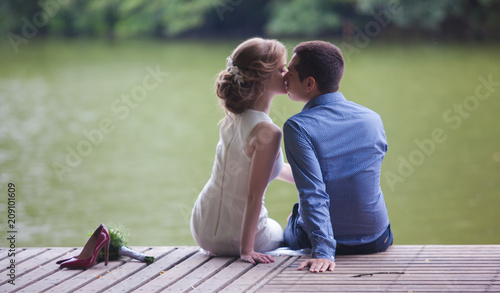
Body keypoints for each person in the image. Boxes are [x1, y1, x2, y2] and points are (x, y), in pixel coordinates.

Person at [282, 41, 393, 273]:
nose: (284, 76)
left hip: (330, 245)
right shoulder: (372, 118)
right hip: (377, 239)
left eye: (289, 72)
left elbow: (312, 192)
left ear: (309, 83)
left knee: (292, 219)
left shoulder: (298, 127)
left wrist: (323, 251)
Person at [190, 37, 295, 264]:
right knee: (287, 231)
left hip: (202, 228)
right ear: (262, 79)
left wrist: (312, 179)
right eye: (281, 68)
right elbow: (253, 196)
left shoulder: (232, 117)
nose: (287, 73)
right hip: (241, 238)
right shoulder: (269, 132)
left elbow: (262, 169)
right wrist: (246, 251)